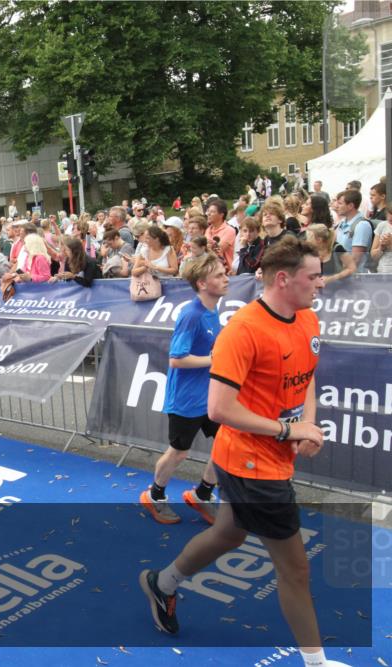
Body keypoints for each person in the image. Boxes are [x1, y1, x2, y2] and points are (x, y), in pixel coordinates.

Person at [139, 238, 349, 667]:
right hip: (251, 462)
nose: (321, 283)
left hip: (265, 454)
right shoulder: (245, 329)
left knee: (229, 533)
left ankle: (163, 583)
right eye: (314, 275)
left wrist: (305, 426)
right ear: (284, 279)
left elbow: (306, 377)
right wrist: (290, 429)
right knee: (295, 570)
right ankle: (317, 663)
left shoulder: (307, 319)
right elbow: (219, 408)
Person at [140, 253, 228, 525]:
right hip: (187, 399)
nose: (226, 278)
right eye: (219, 275)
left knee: (228, 444)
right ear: (202, 283)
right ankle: (155, 496)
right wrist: (215, 360)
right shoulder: (191, 314)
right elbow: (177, 358)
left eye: (225, 273)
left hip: (210, 397)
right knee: (179, 452)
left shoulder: (213, 309)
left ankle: (202, 494)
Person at [370, 203, 392, 273]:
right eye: (389, 214)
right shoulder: (382, 226)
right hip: (383, 272)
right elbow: (373, 256)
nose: (390, 218)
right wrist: (381, 247)